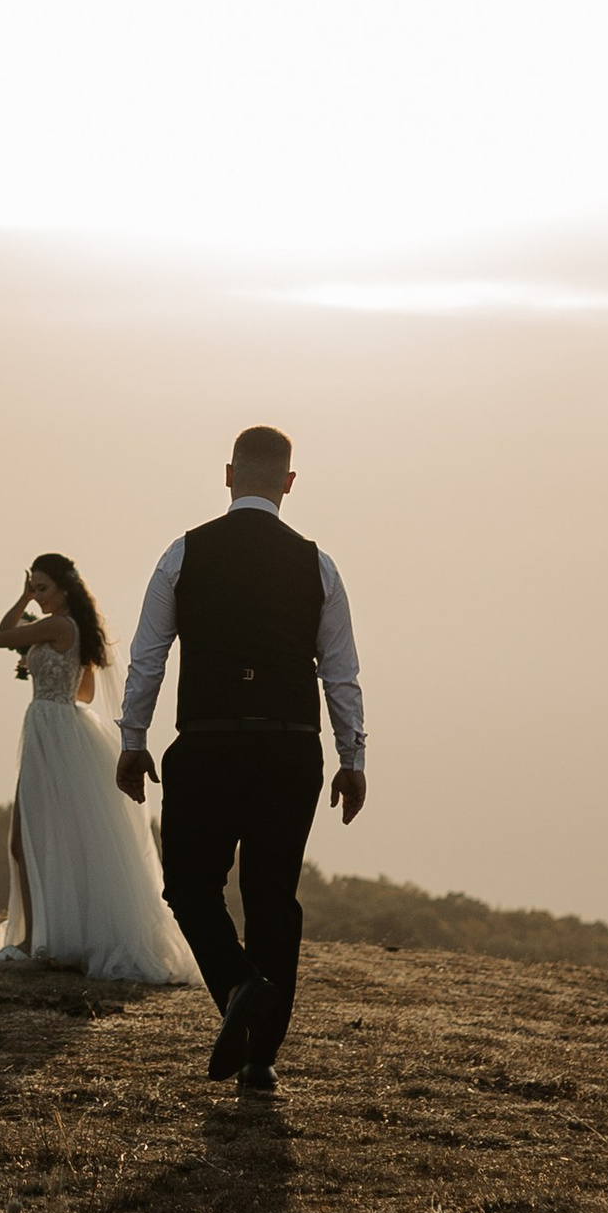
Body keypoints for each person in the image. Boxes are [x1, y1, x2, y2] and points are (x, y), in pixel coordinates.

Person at [114, 426, 366, 1098]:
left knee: (189, 886)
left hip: (208, 740)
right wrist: (352, 756)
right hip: (290, 746)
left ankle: (237, 985)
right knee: (272, 897)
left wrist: (133, 740)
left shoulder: (183, 552)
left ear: (229, 474)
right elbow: (340, 673)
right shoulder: (318, 565)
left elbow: (147, 657)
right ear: (288, 482)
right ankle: (260, 1060)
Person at [0, 553, 204, 988]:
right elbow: (83, 692)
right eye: (33, 588)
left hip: (50, 731)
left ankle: (33, 941)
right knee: (42, 839)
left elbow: (0, 637)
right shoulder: (75, 630)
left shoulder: (58, 625)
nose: (37, 595)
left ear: (63, 588)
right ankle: (44, 937)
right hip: (60, 731)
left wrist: (21, 602)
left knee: (26, 840)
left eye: (42, 588)